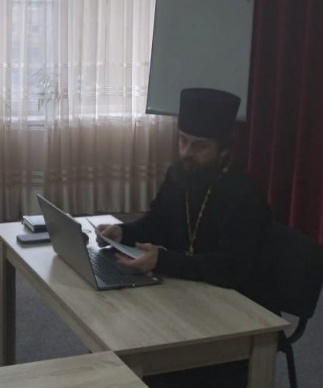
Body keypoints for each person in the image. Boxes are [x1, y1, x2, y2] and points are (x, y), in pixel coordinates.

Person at [97, 87, 272, 388]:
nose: (187, 153)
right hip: (186, 295)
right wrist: (124, 232)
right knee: (112, 338)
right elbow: (158, 222)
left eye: (200, 146)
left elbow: (232, 268)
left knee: (135, 359)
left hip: (233, 317)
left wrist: (163, 261)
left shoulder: (243, 194)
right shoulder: (180, 176)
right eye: (183, 141)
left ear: (224, 150)